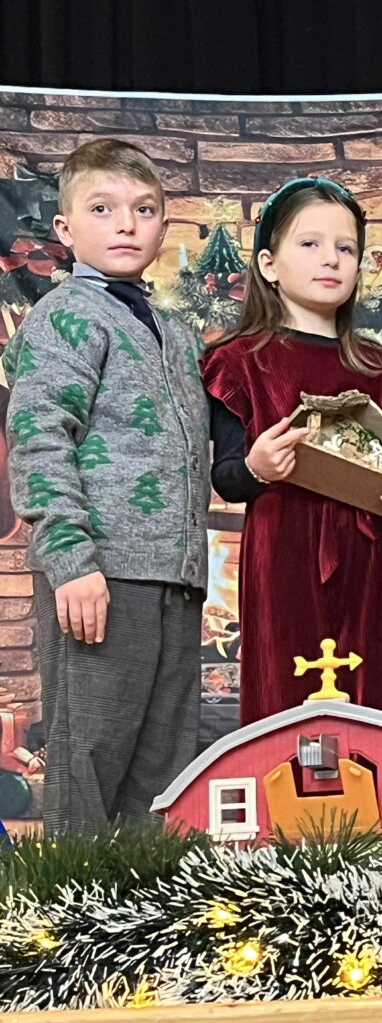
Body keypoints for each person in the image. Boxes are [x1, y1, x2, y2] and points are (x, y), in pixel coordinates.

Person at [4, 139, 210, 834]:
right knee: (88, 758)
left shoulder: (174, 331)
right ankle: (76, 904)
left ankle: (150, 901)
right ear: (65, 229)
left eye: (144, 210)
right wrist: (71, 561)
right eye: (103, 208)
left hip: (174, 578)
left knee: (165, 771)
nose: (126, 224)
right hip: (101, 572)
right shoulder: (65, 317)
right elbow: (38, 436)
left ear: (163, 225)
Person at [202, 177, 382, 725]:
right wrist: (258, 467)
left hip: (366, 557)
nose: (331, 258)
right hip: (282, 551)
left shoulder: (378, 369)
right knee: (285, 695)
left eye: (346, 247)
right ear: (268, 264)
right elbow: (227, 476)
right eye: (310, 243)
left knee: (369, 701)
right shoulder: (241, 361)